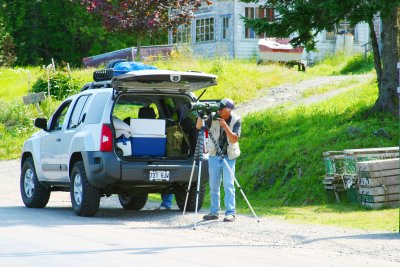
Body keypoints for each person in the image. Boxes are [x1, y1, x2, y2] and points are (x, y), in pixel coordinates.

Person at [196, 98, 241, 222]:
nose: (222, 112)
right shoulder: (212, 117)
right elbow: (198, 126)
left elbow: (234, 139)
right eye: (221, 109)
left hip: (229, 155)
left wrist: (225, 126)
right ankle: (214, 212)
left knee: (228, 184)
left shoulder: (236, 120)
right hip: (214, 154)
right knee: (214, 184)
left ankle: (230, 213)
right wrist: (201, 116)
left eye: (224, 110)